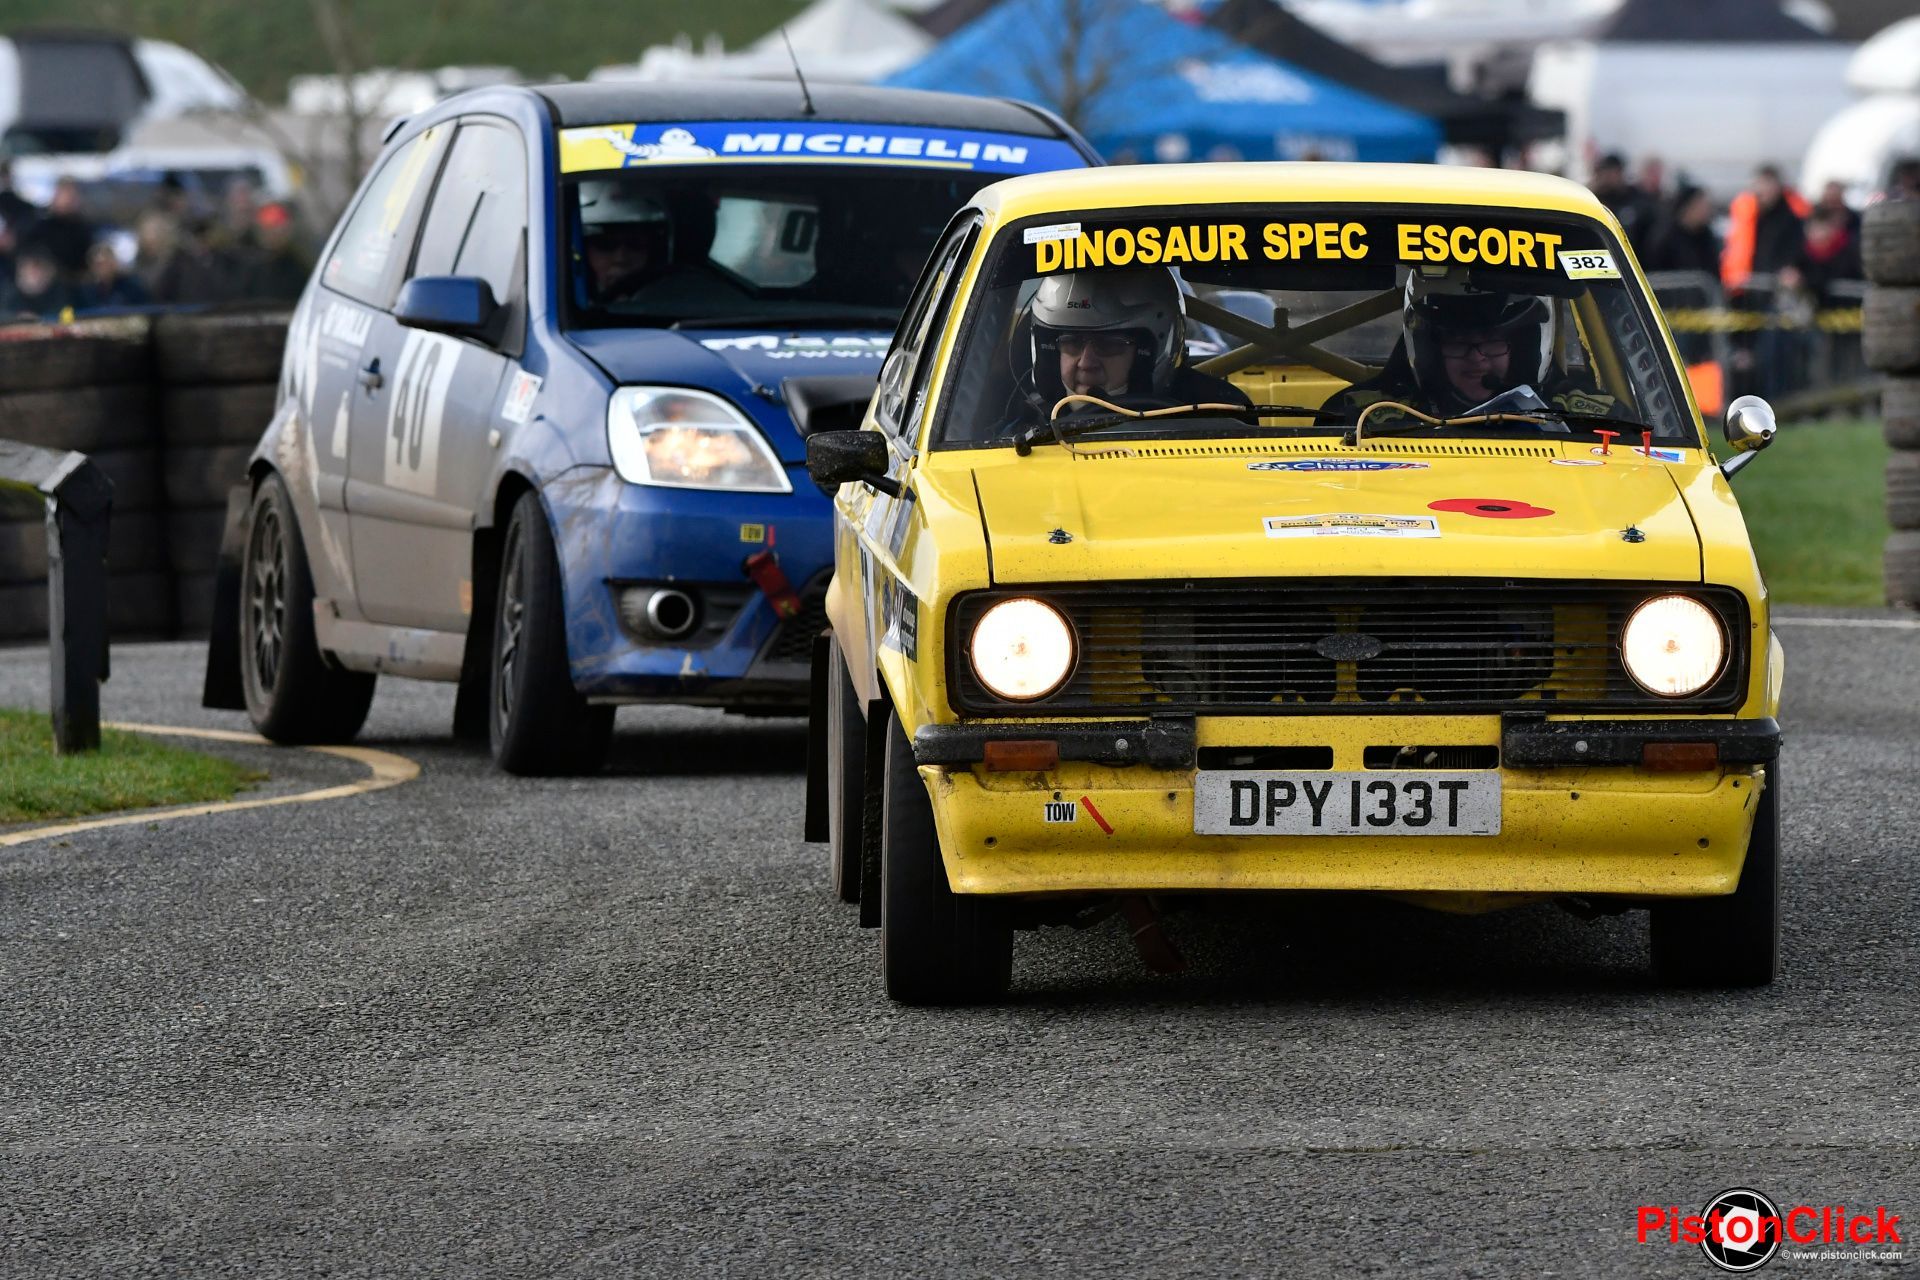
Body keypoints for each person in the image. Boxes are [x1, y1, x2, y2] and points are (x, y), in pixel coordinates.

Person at [1323, 274, 1621, 426]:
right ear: (1431, 350)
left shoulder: (1589, 421)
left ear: (1522, 346)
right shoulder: (1360, 417)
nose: (1476, 358)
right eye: (1458, 342)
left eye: (1493, 341)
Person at [1020, 268, 1250, 418]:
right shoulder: (1020, 431)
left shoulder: (1220, 416)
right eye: (1071, 343)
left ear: (1148, 353)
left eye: (1109, 344)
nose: (1086, 363)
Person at [578, 182, 674, 303]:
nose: (621, 258)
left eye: (635, 244)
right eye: (606, 245)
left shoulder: (675, 305)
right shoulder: (562, 308)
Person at [1640, 183, 1721, 276]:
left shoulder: (1706, 236)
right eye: (1700, 206)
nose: (1705, 211)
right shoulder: (1664, 238)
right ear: (1687, 208)